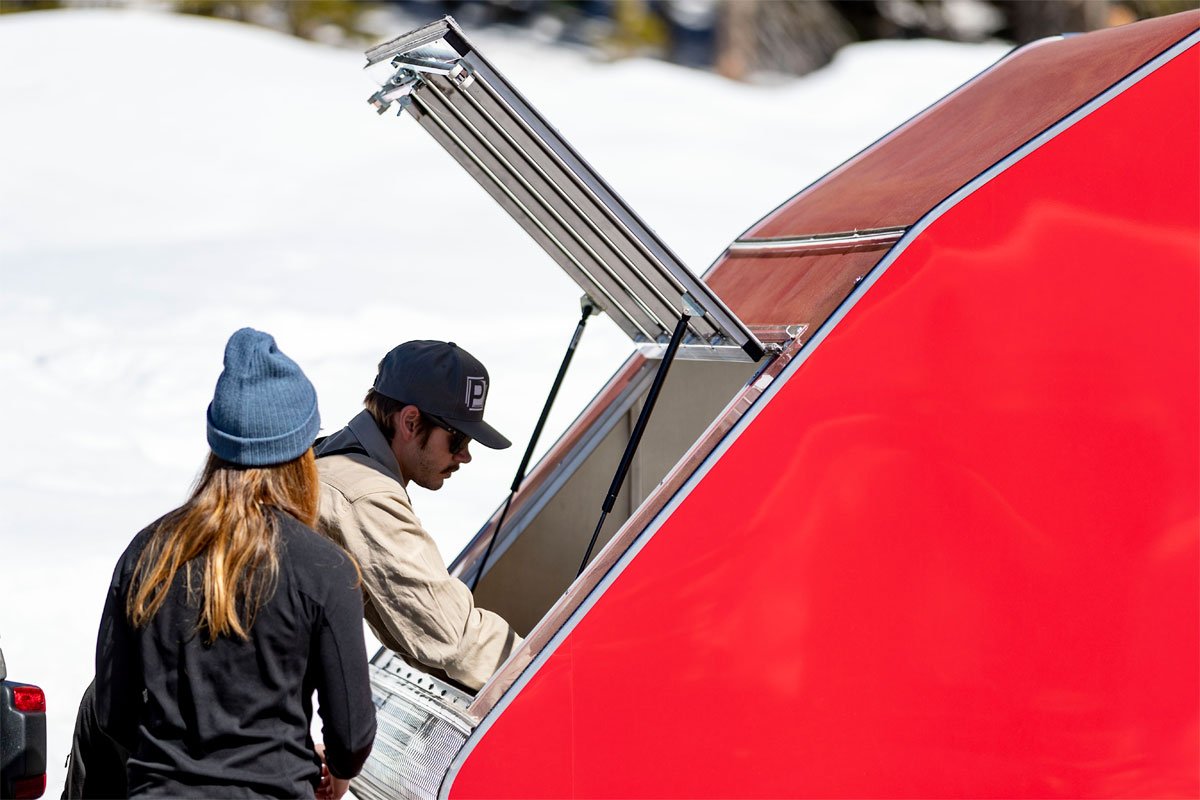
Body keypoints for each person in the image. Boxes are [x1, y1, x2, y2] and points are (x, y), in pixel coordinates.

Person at [92, 328, 376, 798]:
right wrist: (331, 767)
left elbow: (112, 711)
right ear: (302, 454)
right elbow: (351, 734)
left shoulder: (147, 554)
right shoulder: (324, 569)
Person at [315, 340, 522, 692]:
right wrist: (551, 672)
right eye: (458, 439)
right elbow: (453, 635)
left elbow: (409, 627)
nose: (465, 456)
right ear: (411, 422)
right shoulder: (364, 492)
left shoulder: (332, 457)